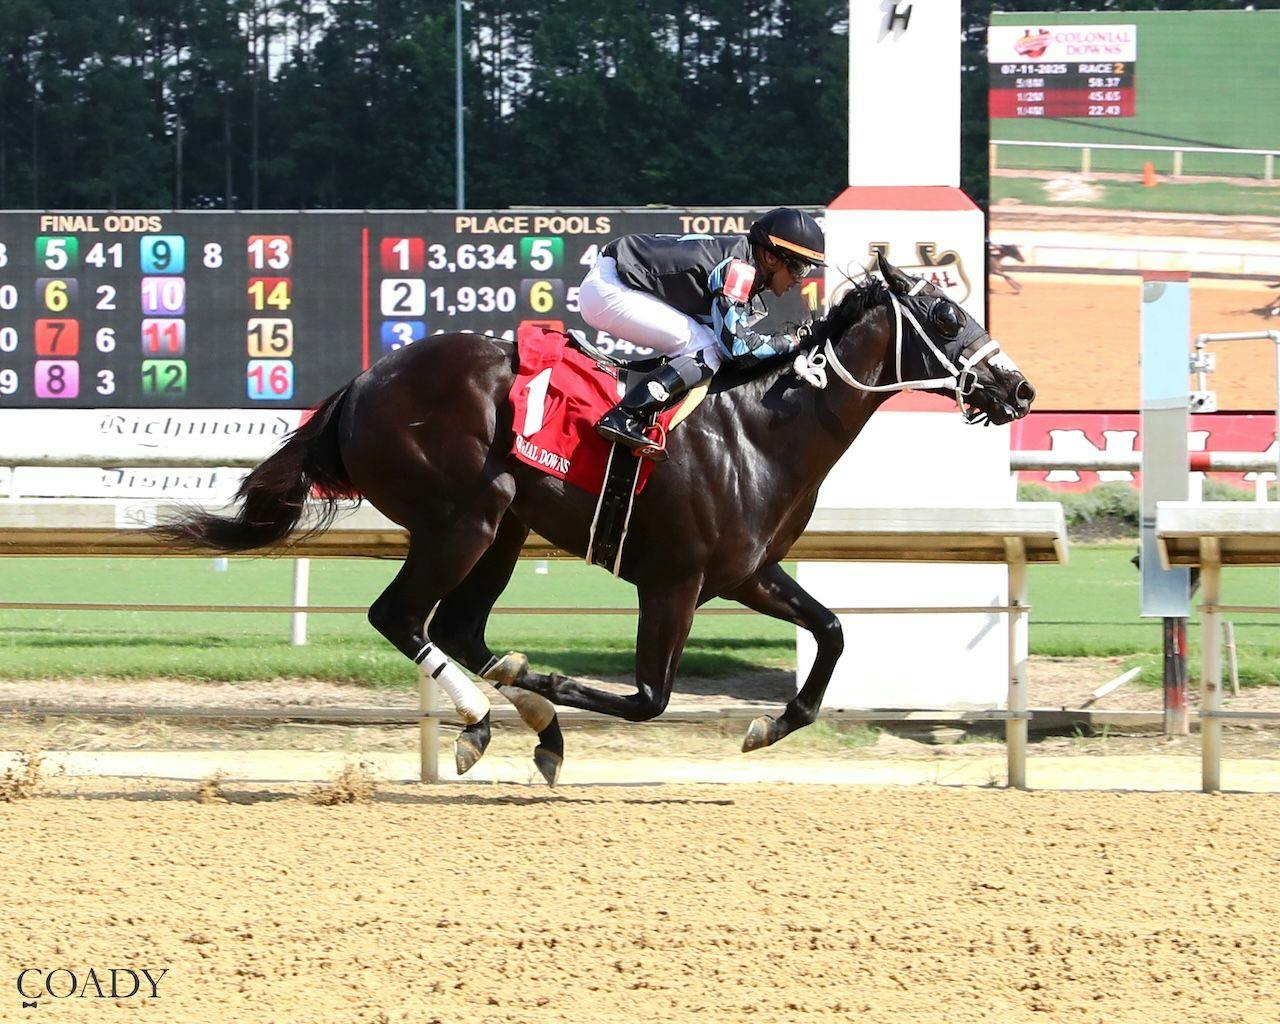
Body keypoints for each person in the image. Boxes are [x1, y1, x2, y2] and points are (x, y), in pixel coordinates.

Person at [577, 207, 825, 453]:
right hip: (610, 287)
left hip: (616, 275)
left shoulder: (744, 260)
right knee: (708, 348)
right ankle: (625, 415)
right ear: (771, 258)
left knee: (705, 343)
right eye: (799, 269)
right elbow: (736, 349)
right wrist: (793, 342)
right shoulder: (739, 271)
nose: (799, 279)